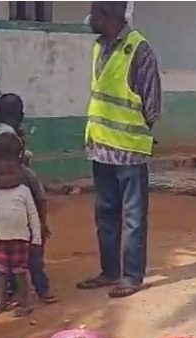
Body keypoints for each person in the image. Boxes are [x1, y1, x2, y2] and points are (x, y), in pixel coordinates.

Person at [77, 0, 161, 298]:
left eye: (93, 13)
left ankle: (132, 276)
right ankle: (109, 272)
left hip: (129, 151)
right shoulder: (99, 47)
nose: (89, 19)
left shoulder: (139, 50)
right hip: (101, 147)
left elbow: (152, 105)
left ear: (107, 15)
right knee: (105, 212)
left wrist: (134, 130)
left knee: (133, 217)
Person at [0, 93, 57, 304]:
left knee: (35, 262)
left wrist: (41, 226)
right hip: (6, 235)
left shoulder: (27, 177)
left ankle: (42, 290)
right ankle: (13, 295)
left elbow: (40, 200)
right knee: (9, 267)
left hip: (27, 232)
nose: (6, 176)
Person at [0, 133, 42, 317]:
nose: (7, 178)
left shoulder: (24, 191)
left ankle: (24, 303)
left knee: (20, 273)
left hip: (21, 241)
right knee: (0, 273)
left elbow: (33, 216)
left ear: (19, 171)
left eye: (11, 174)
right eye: (2, 174)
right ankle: (1, 303)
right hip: (0, 242)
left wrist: (36, 239)